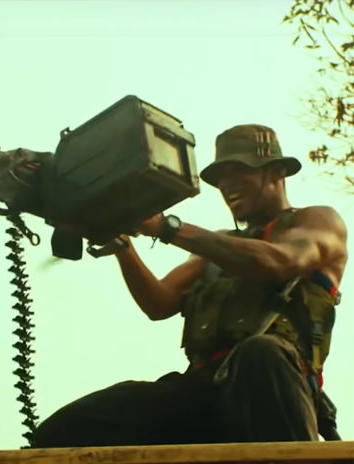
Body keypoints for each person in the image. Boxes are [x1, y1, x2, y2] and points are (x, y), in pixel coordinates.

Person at [32, 124, 347, 447]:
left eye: (239, 172)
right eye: (221, 178)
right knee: (67, 428)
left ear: (277, 171)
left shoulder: (317, 221)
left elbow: (275, 261)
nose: (227, 185)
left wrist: (167, 228)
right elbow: (160, 302)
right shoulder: (220, 244)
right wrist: (124, 246)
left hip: (269, 387)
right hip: (206, 389)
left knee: (260, 352)